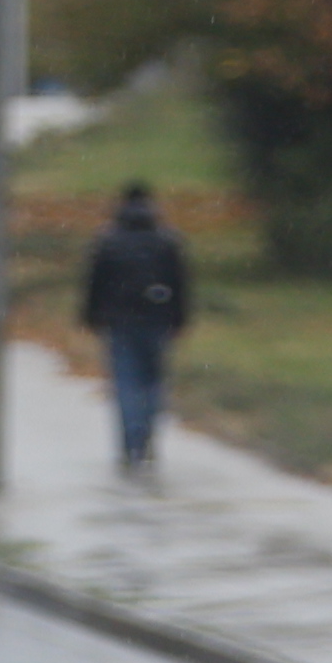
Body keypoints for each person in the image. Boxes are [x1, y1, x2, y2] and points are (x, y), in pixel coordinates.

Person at [81, 183, 192, 479]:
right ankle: (147, 438)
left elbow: (95, 283)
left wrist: (92, 317)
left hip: (119, 322)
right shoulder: (167, 241)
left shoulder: (108, 241)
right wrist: (179, 319)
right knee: (154, 381)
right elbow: (180, 284)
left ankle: (130, 444)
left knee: (126, 383)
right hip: (157, 320)